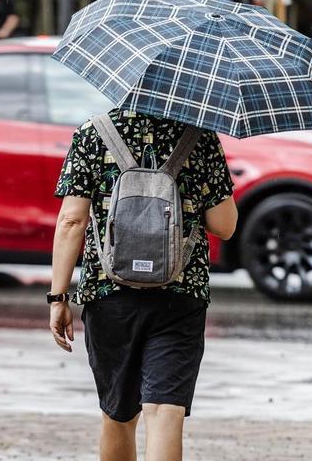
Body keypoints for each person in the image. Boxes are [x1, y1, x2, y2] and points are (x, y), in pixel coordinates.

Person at [48, 109, 237, 461]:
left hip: (109, 294)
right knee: (166, 411)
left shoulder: (94, 132)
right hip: (180, 294)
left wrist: (58, 297)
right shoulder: (200, 137)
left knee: (117, 415)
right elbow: (224, 226)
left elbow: (71, 220)